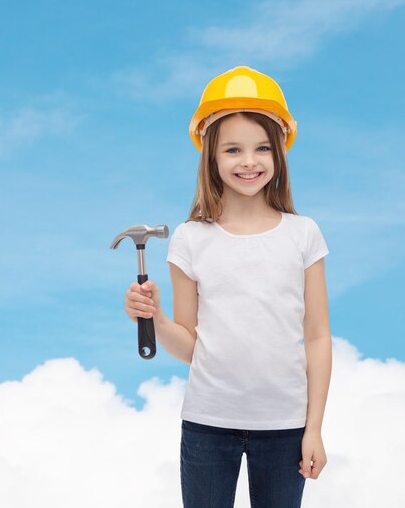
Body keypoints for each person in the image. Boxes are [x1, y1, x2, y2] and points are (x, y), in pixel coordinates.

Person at [123, 65, 331, 507]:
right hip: (207, 425)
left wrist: (313, 428)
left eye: (260, 148)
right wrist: (154, 318)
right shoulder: (190, 238)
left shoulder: (303, 234)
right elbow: (190, 347)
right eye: (233, 150)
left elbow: (316, 336)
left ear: (279, 153)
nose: (249, 161)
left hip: (286, 427)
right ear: (211, 157)